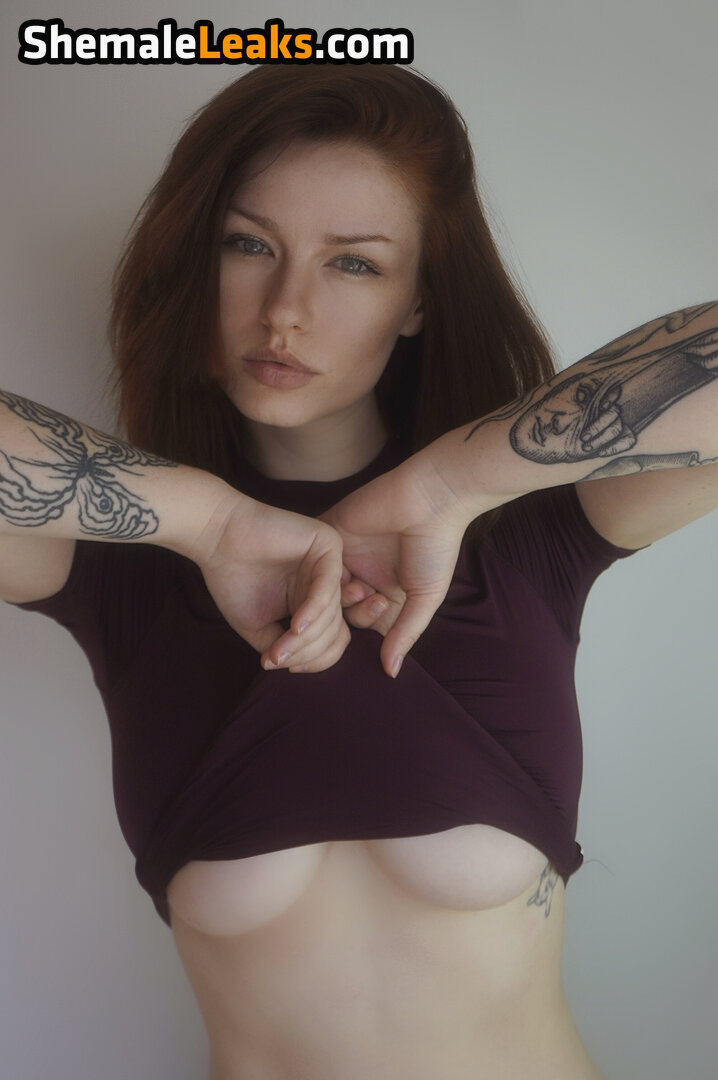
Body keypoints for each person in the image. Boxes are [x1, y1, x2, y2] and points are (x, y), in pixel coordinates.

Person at [1, 63, 716, 1080]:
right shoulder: (128, 574)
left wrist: (456, 479)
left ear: (420, 298)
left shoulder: (525, 537)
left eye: (353, 263)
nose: (284, 310)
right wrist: (206, 520)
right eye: (249, 245)